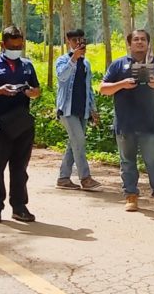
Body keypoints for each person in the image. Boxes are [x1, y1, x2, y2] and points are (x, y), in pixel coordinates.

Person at [99, 29, 154, 213]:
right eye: (136, 39)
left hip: (149, 123)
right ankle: (131, 197)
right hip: (125, 123)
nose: (139, 42)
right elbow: (103, 88)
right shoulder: (118, 65)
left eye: (143, 39)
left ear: (148, 44)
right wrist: (122, 84)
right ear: (129, 43)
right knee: (127, 162)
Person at [0, 25, 42, 224]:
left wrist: (32, 92)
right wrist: (0, 90)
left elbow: (37, 89)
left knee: (20, 168)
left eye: (19, 46)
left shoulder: (27, 65)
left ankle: (19, 206)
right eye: (12, 46)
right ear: (3, 45)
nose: (16, 49)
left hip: (22, 123)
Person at [54, 29, 102, 191]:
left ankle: (63, 178)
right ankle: (85, 178)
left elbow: (88, 88)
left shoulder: (86, 64)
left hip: (82, 110)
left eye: (82, 40)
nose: (79, 43)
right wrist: (73, 58)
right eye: (75, 41)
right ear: (69, 42)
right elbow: (62, 77)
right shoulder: (62, 60)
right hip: (66, 110)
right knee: (79, 141)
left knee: (74, 143)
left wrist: (93, 109)